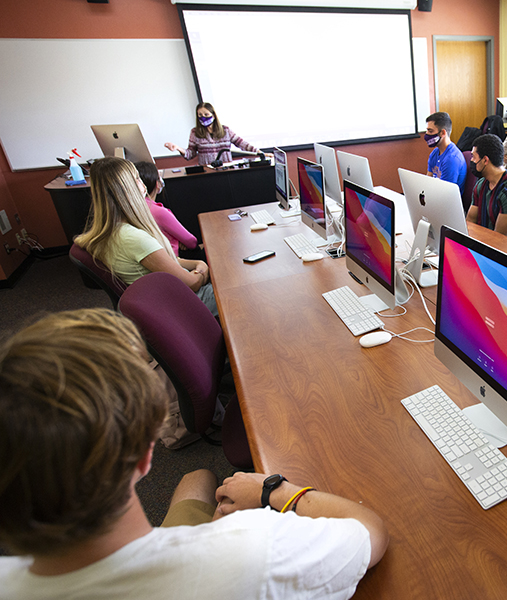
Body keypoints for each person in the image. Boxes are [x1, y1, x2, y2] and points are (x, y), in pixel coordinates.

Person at [0, 309, 388, 599]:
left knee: (198, 478)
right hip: (216, 556)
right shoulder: (255, 551)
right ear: (143, 456)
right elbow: (370, 532)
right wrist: (271, 491)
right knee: (214, 483)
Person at [74, 156, 218, 316]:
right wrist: (203, 270)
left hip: (163, 297)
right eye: (137, 178)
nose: (142, 184)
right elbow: (192, 284)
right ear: (127, 188)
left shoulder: (112, 231)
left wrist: (196, 263)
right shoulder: (133, 238)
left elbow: (165, 260)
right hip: (181, 304)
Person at [466, 134, 507, 243]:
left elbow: (498, 238)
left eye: (474, 157)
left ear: (485, 160)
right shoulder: (481, 184)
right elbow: (470, 221)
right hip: (485, 243)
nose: (471, 160)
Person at [133, 161, 198, 258]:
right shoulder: (158, 212)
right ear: (157, 183)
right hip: (173, 259)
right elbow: (191, 242)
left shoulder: (134, 207)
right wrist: (177, 241)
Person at [165, 102, 259, 166]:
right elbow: (191, 154)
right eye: (200, 115)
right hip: (207, 171)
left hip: (226, 169)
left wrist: (259, 153)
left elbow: (242, 143)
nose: (203, 117)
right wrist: (178, 148)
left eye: (206, 115)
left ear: (213, 115)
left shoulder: (225, 130)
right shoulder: (195, 132)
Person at [424, 111, 467, 196]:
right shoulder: (435, 153)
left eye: (430, 131)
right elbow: (427, 181)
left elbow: (445, 194)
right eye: (427, 130)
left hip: (448, 204)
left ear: (443, 133)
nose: (427, 134)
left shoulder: (452, 159)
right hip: (435, 198)